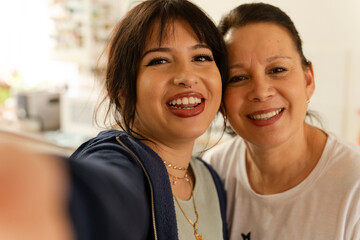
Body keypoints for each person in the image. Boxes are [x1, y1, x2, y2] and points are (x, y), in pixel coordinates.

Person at [68, 0, 228, 240]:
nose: (187, 76)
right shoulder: (120, 164)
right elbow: (94, 195)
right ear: (121, 89)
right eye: (159, 60)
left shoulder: (210, 180)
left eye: (201, 57)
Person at [203, 3, 360, 240]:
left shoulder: (354, 186)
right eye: (238, 77)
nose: (261, 91)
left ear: (308, 80)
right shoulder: (214, 172)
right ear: (221, 98)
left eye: (277, 69)